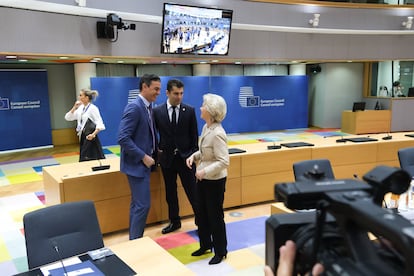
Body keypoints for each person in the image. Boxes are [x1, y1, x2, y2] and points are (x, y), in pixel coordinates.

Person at [186, 93, 229, 265]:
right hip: (202, 179)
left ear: (210, 111)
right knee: (201, 214)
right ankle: (205, 245)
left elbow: (224, 161)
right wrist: (193, 156)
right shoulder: (206, 128)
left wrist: (205, 172)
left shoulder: (218, 133)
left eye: (203, 105)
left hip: (215, 182)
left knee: (215, 216)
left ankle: (220, 251)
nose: (200, 108)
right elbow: (205, 153)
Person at [118, 74, 161, 240]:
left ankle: (134, 240)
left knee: (138, 205)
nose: (158, 92)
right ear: (144, 87)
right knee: (142, 205)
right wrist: (143, 156)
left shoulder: (148, 107)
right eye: (155, 89)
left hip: (144, 165)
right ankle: (135, 242)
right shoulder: (135, 107)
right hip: (137, 166)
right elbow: (123, 138)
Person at [153, 79, 199, 234]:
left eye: (181, 93)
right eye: (175, 93)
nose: (179, 97)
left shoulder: (190, 110)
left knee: (193, 192)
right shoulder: (157, 111)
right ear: (167, 93)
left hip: (186, 160)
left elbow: (194, 138)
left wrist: (192, 155)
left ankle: (201, 222)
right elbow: (155, 136)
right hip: (167, 160)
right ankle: (174, 221)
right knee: (170, 193)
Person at [64, 88, 105, 162]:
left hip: (90, 136)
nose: (79, 97)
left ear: (86, 97)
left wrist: (93, 134)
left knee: (91, 157)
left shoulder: (93, 108)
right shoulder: (80, 108)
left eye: (81, 95)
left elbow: (99, 122)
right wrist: (74, 107)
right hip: (83, 136)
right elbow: (68, 117)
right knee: (85, 157)